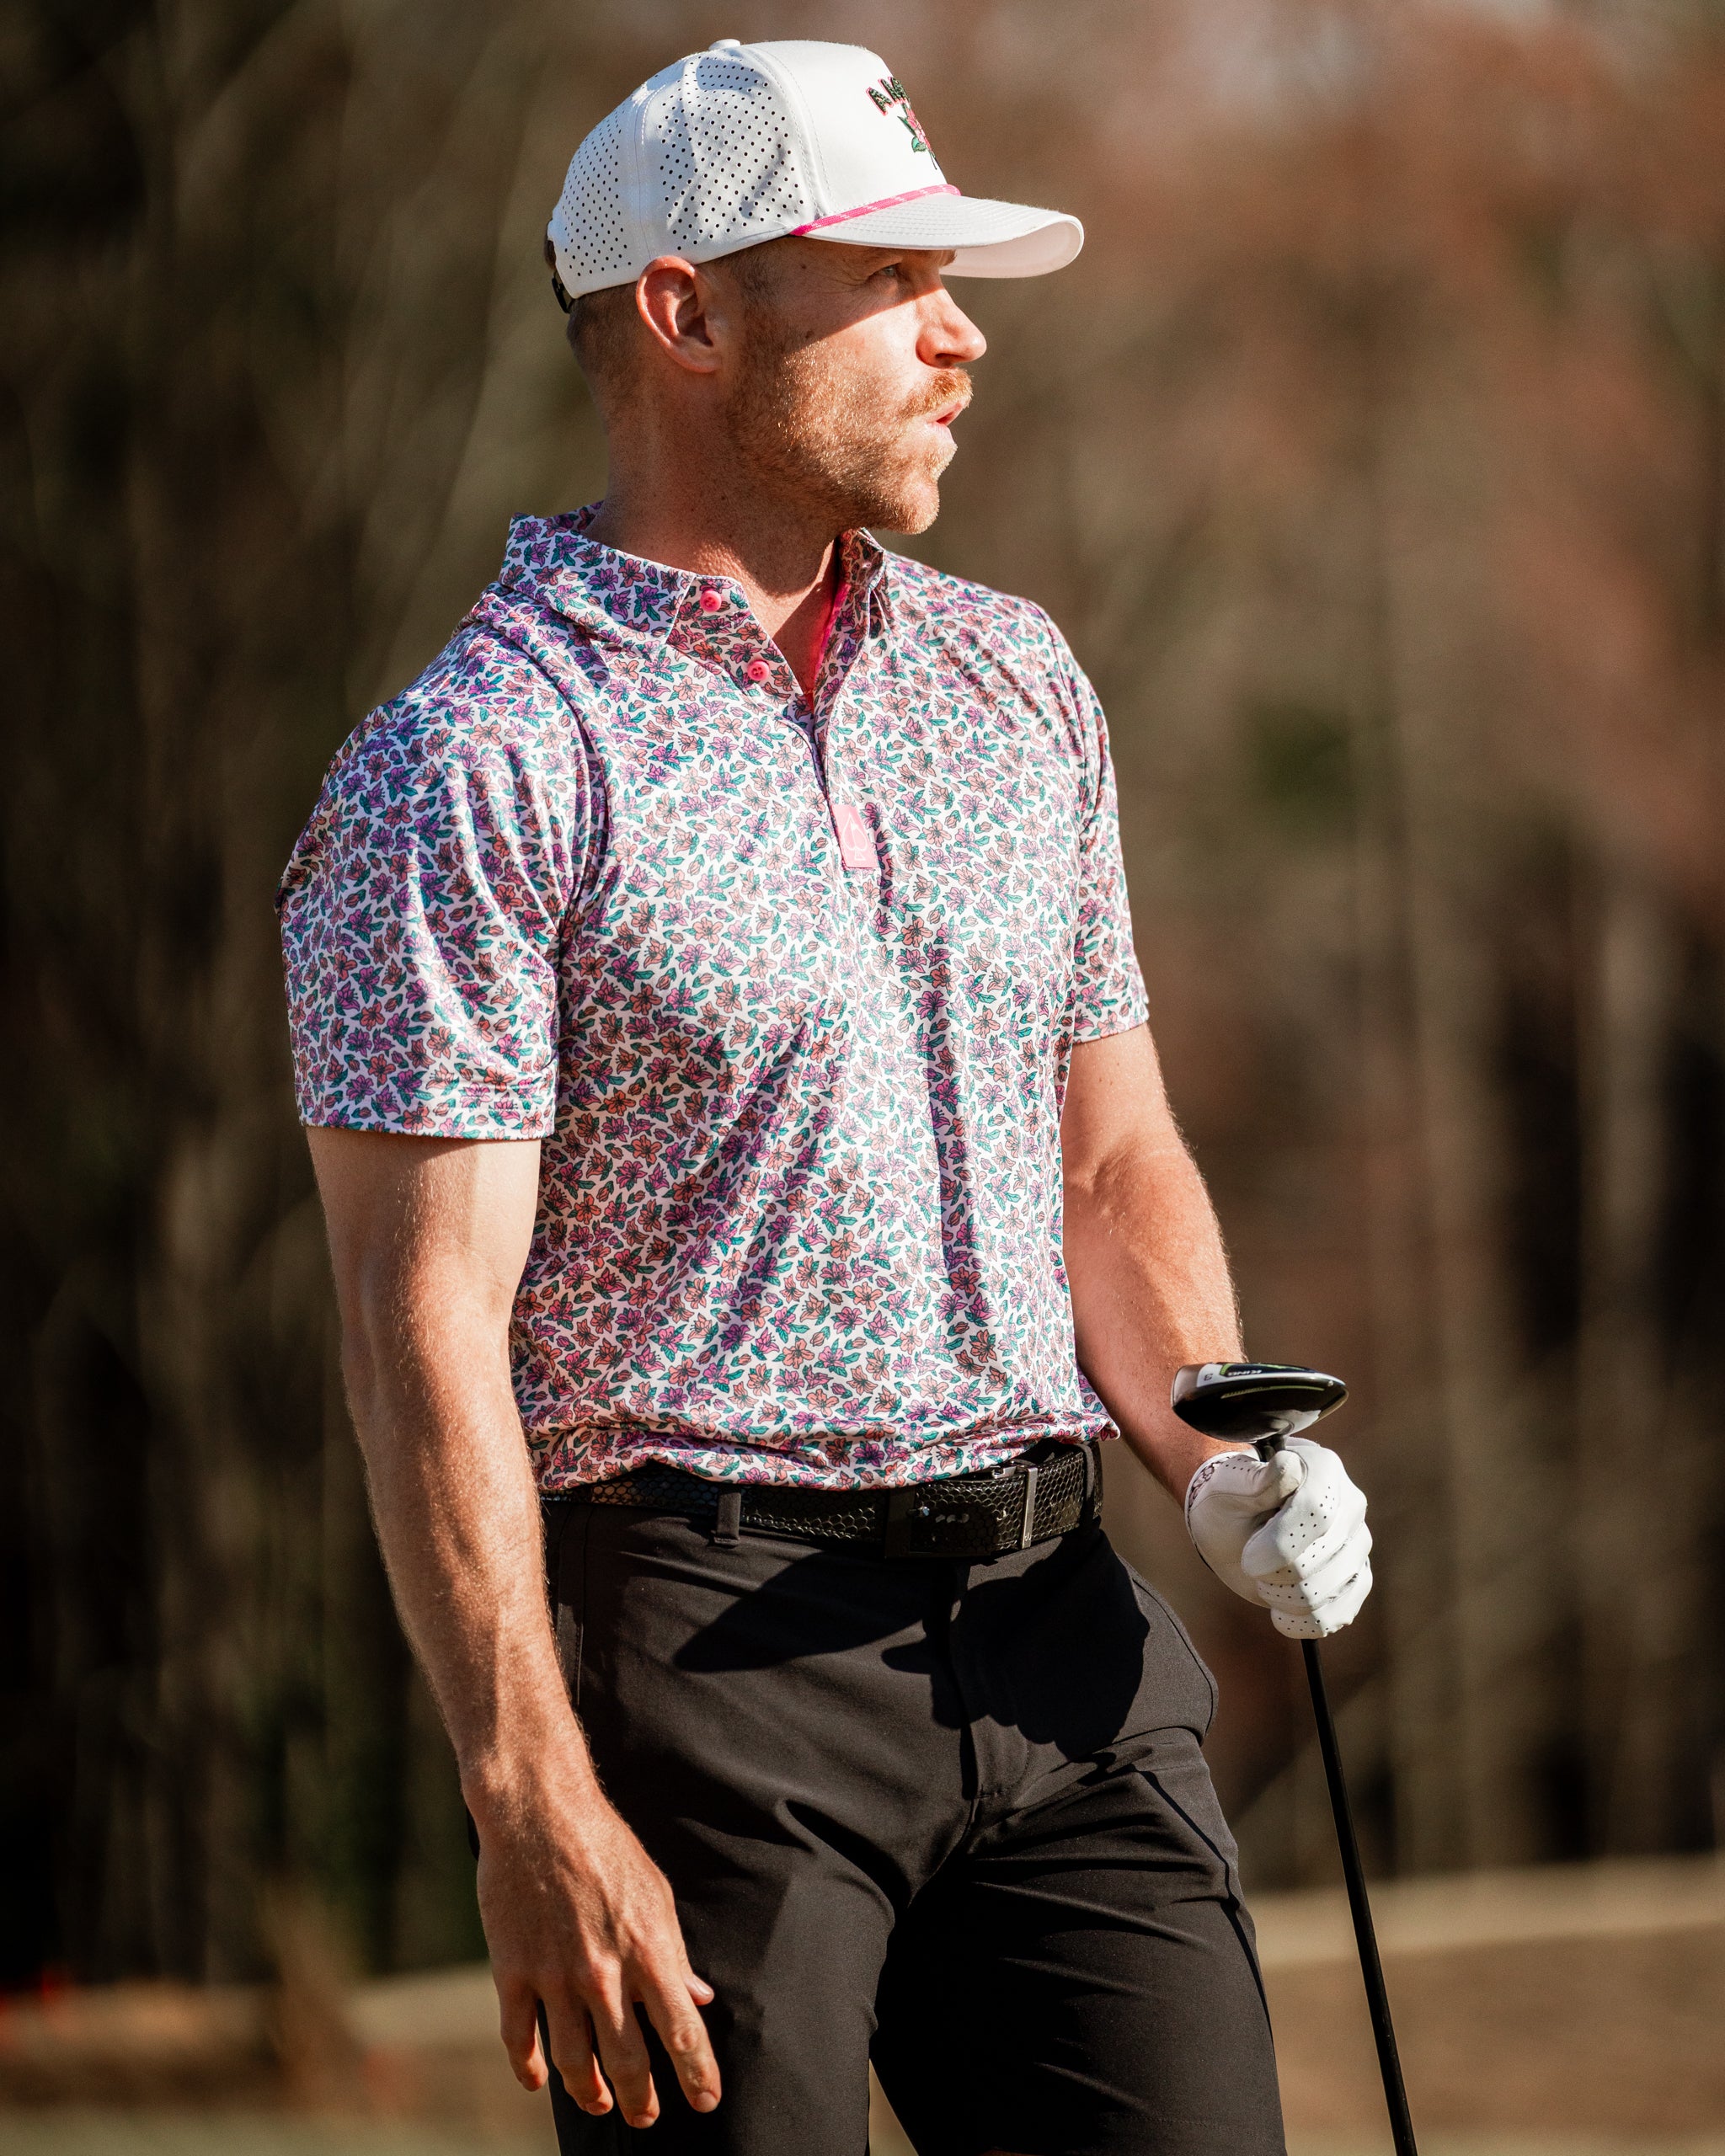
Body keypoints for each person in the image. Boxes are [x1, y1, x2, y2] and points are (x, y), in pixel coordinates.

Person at [280, 37, 1374, 2156]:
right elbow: (418, 1326)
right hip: (706, 1681)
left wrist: (1218, 1443)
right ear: (684, 313)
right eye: (889, 282)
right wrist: (530, 1796)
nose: (961, 337)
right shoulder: (466, 766)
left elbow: (1112, 1150)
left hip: (1062, 1642)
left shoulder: (1017, 681)